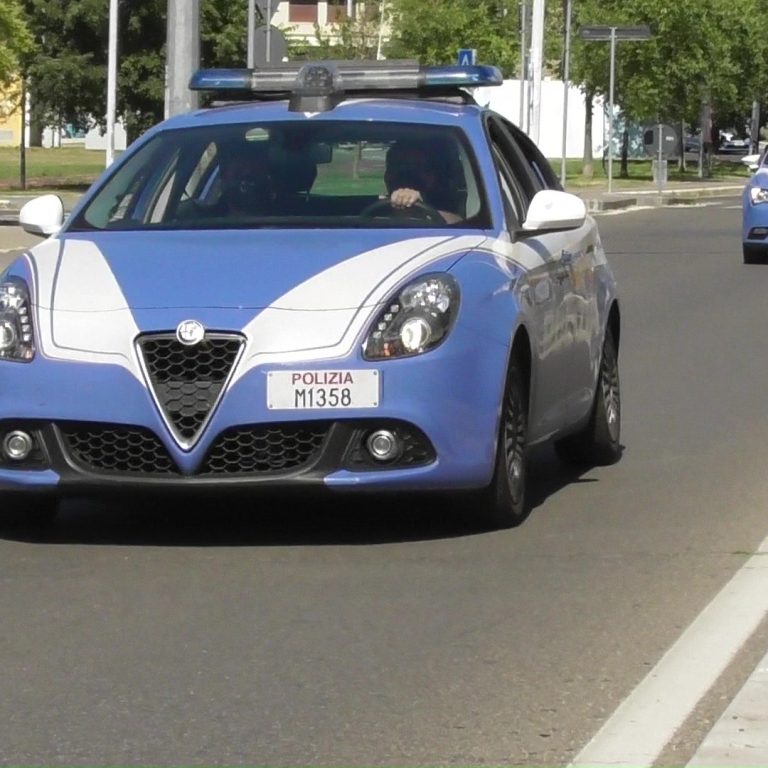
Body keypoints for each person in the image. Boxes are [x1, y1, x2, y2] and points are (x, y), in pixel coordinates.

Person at [383, 140, 463, 224]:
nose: (407, 175)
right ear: (387, 175)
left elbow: (462, 225)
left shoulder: (451, 205)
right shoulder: (375, 210)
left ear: (433, 175)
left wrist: (419, 208)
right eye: (399, 168)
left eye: (415, 168)